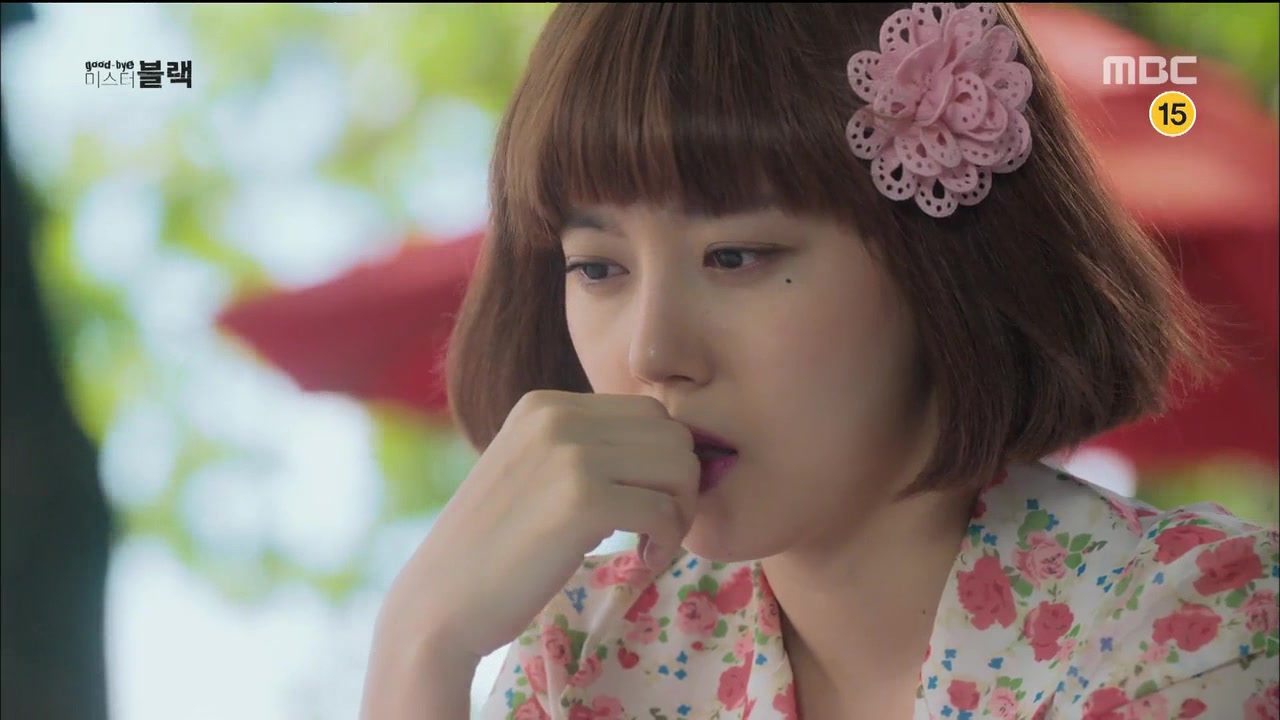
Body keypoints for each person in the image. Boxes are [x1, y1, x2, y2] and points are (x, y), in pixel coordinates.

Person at [359, 3, 1280, 719]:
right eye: (598, 268)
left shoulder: (1198, 627)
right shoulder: (585, 656)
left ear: (937, 269)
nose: (653, 353)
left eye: (736, 256)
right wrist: (420, 642)